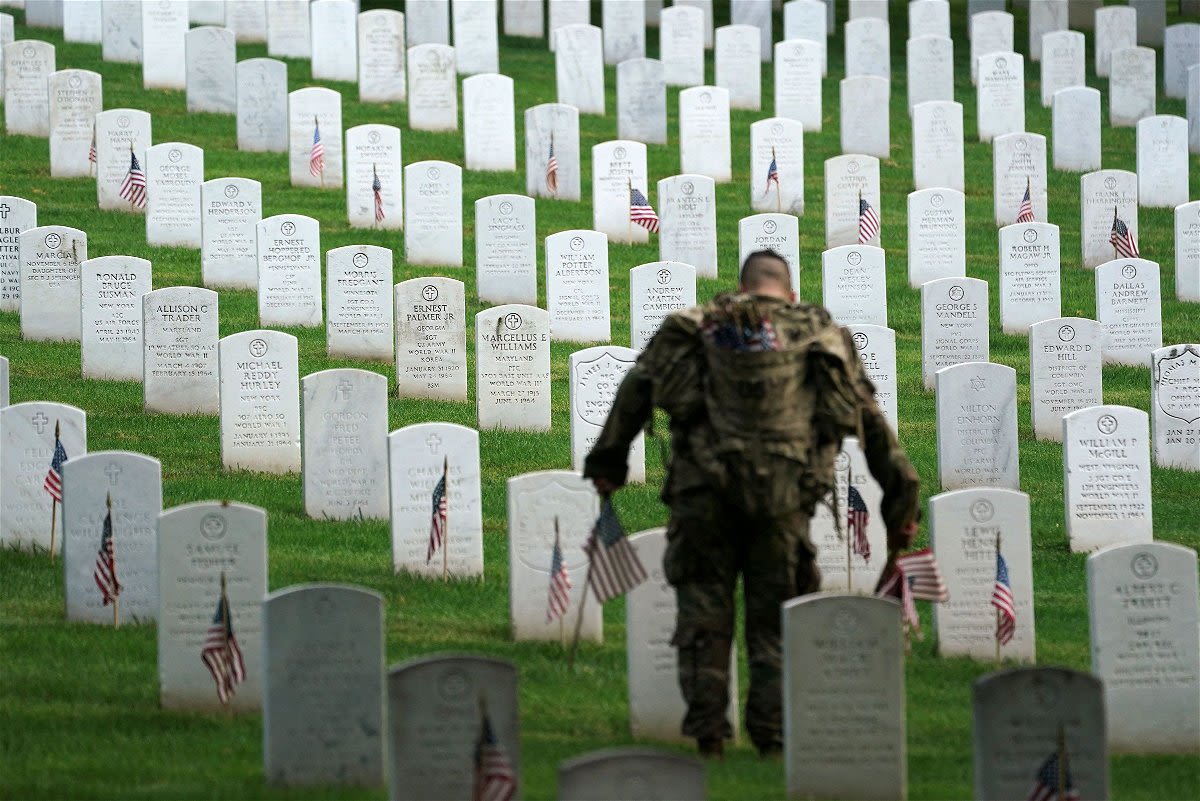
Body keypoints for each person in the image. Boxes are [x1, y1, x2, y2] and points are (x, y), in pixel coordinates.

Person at [583, 250, 920, 759]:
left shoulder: (693, 330)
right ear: (788, 291)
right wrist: (901, 503)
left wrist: (608, 464)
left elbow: (636, 389)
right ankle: (773, 739)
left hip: (703, 496)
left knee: (703, 617)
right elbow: (870, 422)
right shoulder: (819, 336)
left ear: (741, 288)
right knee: (775, 621)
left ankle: (710, 736)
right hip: (783, 500)